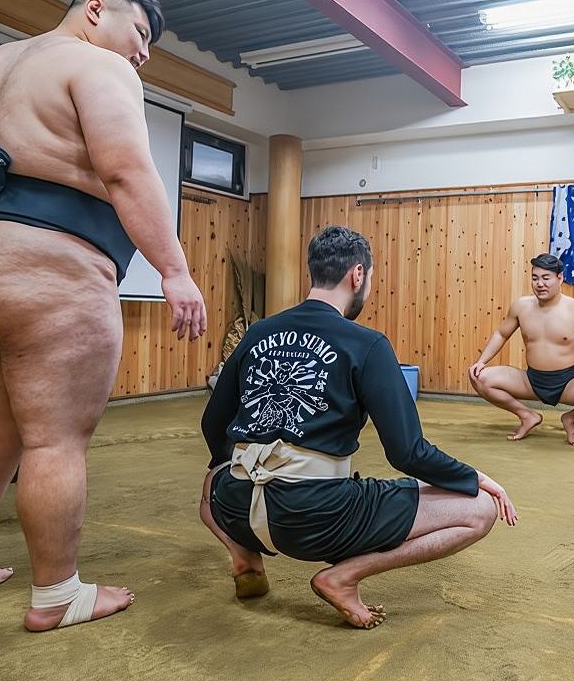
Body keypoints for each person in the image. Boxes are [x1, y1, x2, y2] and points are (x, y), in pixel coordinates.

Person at [0, 0, 207, 631]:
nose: (143, 54)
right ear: (96, 10)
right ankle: (57, 594)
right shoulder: (95, 65)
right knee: (54, 439)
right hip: (46, 263)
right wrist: (174, 268)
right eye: (140, 34)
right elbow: (125, 170)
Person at [200, 226, 517, 629]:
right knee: (480, 511)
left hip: (236, 507)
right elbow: (407, 452)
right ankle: (342, 576)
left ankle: (245, 554)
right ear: (357, 275)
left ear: (314, 273)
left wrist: (227, 473)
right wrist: (475, 477)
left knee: (211, 483)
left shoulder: (259, 331)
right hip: (318, 520)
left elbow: (214, 422)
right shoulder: (367, 344)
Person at [468, 253, 574, 446]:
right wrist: (481, 361)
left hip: (569, 383)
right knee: (478, 376)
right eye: (535, 278)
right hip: (531, 380)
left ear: (560, 278)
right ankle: (527, 416)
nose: (540, 284)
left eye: (546, 278)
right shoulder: (521, 306)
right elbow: (501, 334)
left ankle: (570, 420)